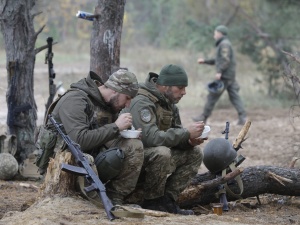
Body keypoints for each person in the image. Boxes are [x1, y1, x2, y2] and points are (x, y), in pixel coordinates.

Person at [46, 69, 144, 205]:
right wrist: (115, 127)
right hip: (62, 163)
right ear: (115, 90)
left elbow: (102, 134)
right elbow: (79, 141)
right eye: (127, 98)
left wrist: (126, 134)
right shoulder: (75, 99)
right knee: (88, 158)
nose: (128, 104)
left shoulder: (107, 103)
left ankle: (114, 199)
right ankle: (93, 200)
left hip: (90, 159)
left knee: (133, 146)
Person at [124, 64, 206, 215]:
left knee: (195, 153)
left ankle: (167, 200)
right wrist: (186, 133)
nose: (184, 92)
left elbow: (176, 133)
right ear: (165, 86)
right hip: (132, 159)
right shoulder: (142, 101)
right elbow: (150, 138)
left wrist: (189, 141)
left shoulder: (169, 103)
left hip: (153, 157)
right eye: (180, 88)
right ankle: (152, 201)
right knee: (162, 152)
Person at [192, 25, 247, 125]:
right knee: (234, 96)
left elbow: (225, 60)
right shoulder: (224, 44)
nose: (214, 35)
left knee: (212, 96)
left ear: (219, 34)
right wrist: (205, 61)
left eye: (215, 33)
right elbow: (218, 60)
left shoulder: (224, 44)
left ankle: (203, 116)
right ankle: (243, 117)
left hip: (224, 76)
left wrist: (219, 72)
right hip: (229, 76)